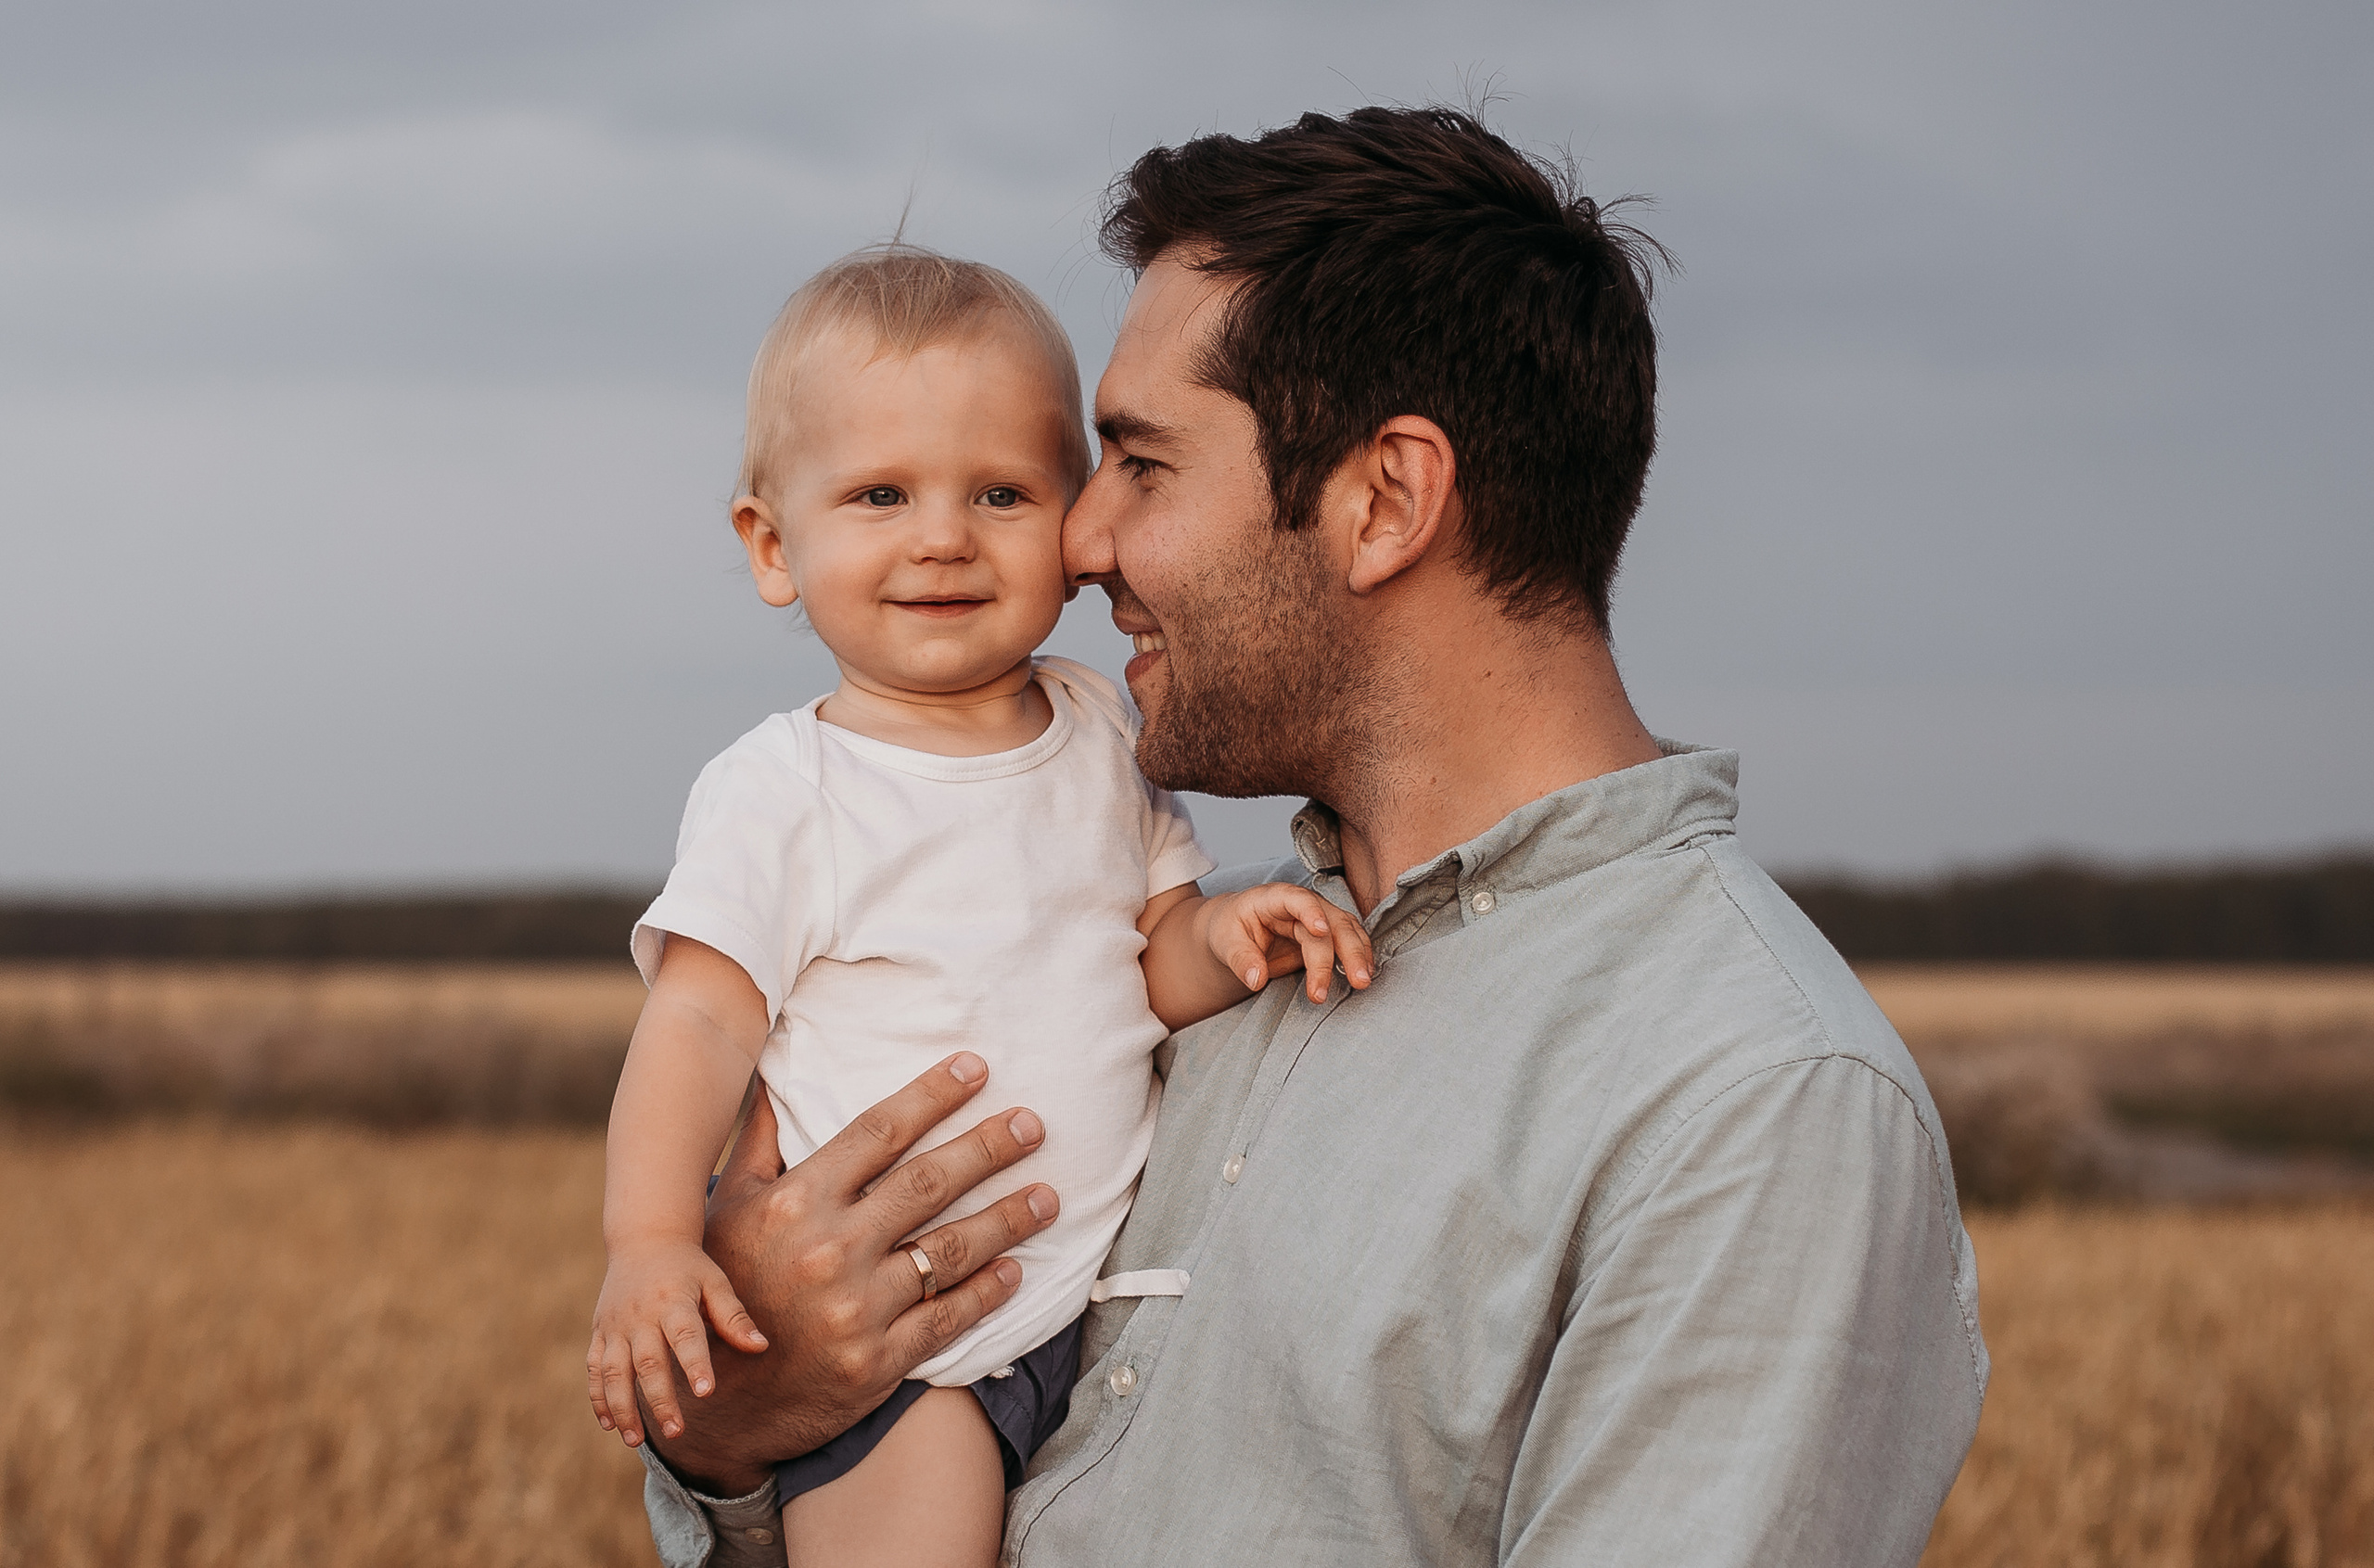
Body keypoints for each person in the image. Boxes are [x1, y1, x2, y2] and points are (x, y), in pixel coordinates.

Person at [631, 107, 1989, 1567]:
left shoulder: (1754, 1103)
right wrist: (741, 1434)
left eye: (1141, 466)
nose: (1078, 545)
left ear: (1385, 500)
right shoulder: (1192, 957)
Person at [588, 245, 1372, 1568]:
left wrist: (1233, 935)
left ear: (1073, 529)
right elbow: (699, 1032)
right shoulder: (789, 790)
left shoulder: (1094, 726)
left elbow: (1146, 960)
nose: (943, 536)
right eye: (881, 494)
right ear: (774, 545)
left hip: (1101, 1312)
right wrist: (654, 1242)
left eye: (1001, 492)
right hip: (912, 1360)